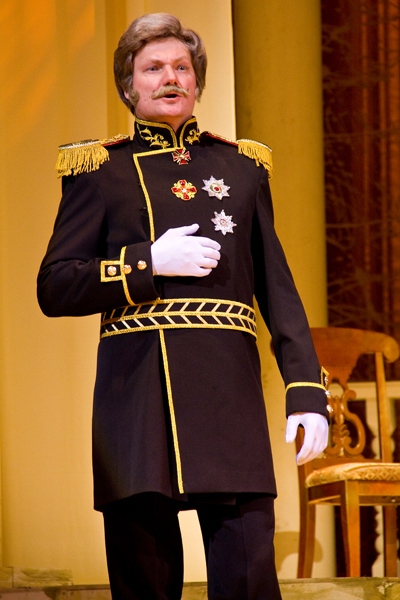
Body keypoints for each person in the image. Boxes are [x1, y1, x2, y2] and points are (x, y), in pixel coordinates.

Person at [37, 12, 330, 600]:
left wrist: (306, 392)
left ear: (197, 81)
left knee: (247, 579)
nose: (170, 78)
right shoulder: (100, 171)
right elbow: (56, 285)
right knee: (146, 582)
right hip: (137, 401)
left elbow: (278, 290)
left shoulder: (242, 168)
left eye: (181, 67)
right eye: (153, 68)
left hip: (229, 397)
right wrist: (147, 262)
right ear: (129, 87)